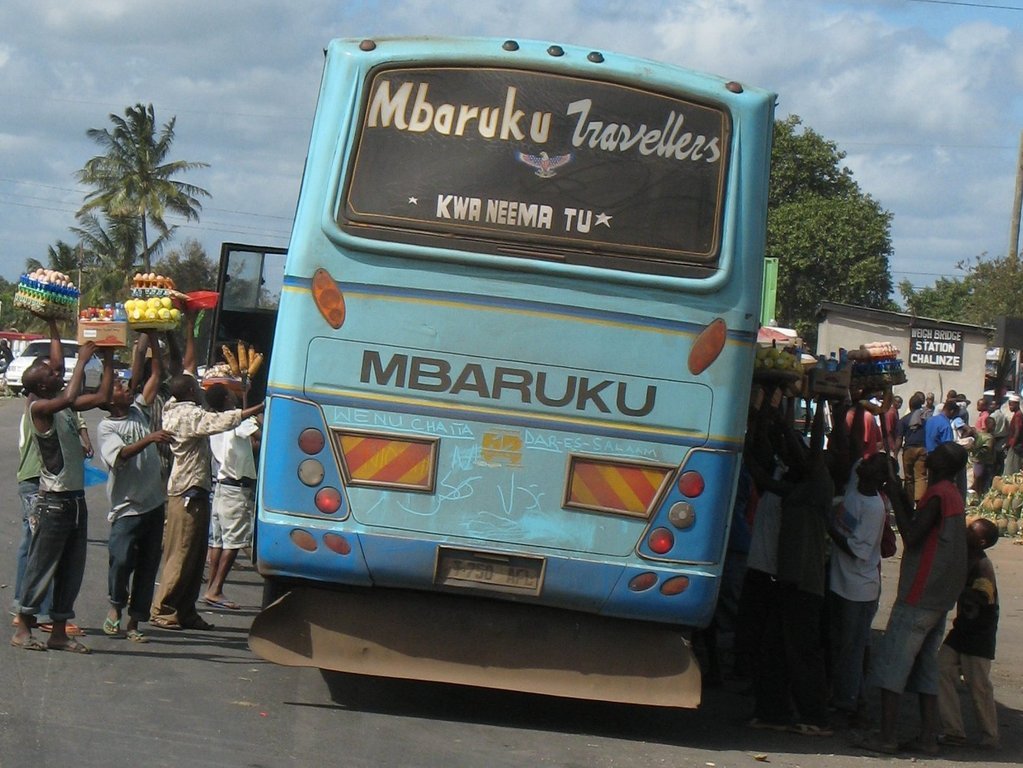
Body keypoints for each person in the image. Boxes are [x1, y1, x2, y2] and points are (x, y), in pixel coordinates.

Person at [10, 319, 114, 653]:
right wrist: (82, 359)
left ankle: (57, 630)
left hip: (74, 499)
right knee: (42, 566)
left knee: (71, 568)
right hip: (52, 500)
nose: (58, 373)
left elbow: (102, 395)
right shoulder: (40, 408)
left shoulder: (65, 408)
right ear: (40, 388)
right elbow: (71, 393)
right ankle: (24, 625)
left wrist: (109, 358)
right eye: (51, 375)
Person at [861, 441, 969, 756]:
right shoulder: (950, 493)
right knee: (925, 668)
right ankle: (927, 737)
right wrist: (897, 489)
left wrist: (894, 493)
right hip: (939, 595)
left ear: (942, 465)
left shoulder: (938, 494)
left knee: (894, 663)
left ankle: (887, 736)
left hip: (921, 591)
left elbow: (912, 534)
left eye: (936, 453)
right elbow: (919, 523)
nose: (928, 454)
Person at [150, 373, 263, 631]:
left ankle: (185, 610)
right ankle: (164, 609)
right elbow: (219, 421)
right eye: (196, 388)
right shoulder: (188, 415)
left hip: (197, 489)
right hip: (187, 490)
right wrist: (257, 408)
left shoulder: (173, 407)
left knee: (195, 555)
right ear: (190, 391)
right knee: (181, 552)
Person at [97, 330, 173, 643]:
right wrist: (150, 438)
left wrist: (152, 335)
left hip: (153, 504)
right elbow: (122, 455)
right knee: (122, 560)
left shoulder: (140, 409)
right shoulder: (107, 427)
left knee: (147, 565)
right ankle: (115, 605)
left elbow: (156, 372)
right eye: (118, 386)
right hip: (127, 507)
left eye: (126, 384)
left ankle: (134, 622)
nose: (126, 388)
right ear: (108, 399)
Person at [826, 452, 890, 728]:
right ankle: (849, 696)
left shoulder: (875, 508)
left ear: (880, 478)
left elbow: (858, 551)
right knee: (844, 644)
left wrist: (829, 526)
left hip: (858, 588)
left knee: (851, 648)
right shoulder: (856, 491)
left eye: (871, 466)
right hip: (844, 583)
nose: (863, 466)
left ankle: (850, 701)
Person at [937, 517, 1000, 750]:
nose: (966, 532)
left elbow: (983, 596)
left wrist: (957, 589)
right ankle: (954, 731)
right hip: (962, 629)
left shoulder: (983, 565)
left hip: (979, 633)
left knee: (979, 686)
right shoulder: (967, 557)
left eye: (971, 531)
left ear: (982, 542)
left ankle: (990, 735)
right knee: (941, 669)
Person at [202, 382, 261, 610]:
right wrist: (259, 413)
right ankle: (216, 589)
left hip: (221, 485)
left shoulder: (217, 421)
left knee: (217, 541)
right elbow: (258, 435)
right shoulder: (238, 421)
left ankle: (210, 587)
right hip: (236, 488)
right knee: (234, 542)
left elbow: (249, 444)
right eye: (231, 394)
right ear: (226, 399)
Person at [898, 391, 928, 504]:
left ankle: (909, 502)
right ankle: (920, 502)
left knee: (909, 477)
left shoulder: (904, 420)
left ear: (910, 406)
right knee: (921, 477)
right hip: (923, 449)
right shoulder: (926, 418)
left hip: (909, 450)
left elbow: (899, 438)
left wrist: (895, 454)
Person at [1002, 394, 1023, 475]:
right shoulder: (1017, 414)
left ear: (1017, 404)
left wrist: (1012, 444)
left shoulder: (1018, 415)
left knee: (1011, 469)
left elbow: (1018, 431)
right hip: (1015, 445)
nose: (1010, 407)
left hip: (1016, 447)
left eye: (1011, 404)